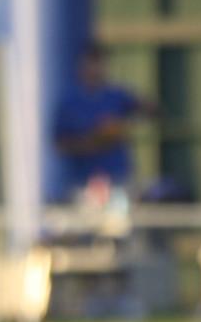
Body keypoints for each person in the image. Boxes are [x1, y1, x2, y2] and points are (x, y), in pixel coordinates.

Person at [52, 42, 156, 205]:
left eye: (99, 63)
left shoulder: (116, 95)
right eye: (91, 63)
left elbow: (151, 111)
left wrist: (122, 125)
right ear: (81, 66)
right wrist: (95, 138)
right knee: (88, 226)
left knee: (119, 227)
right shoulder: (69, 102)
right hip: (84, 182)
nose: (95, 69)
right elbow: (60, 144)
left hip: (117, 178)